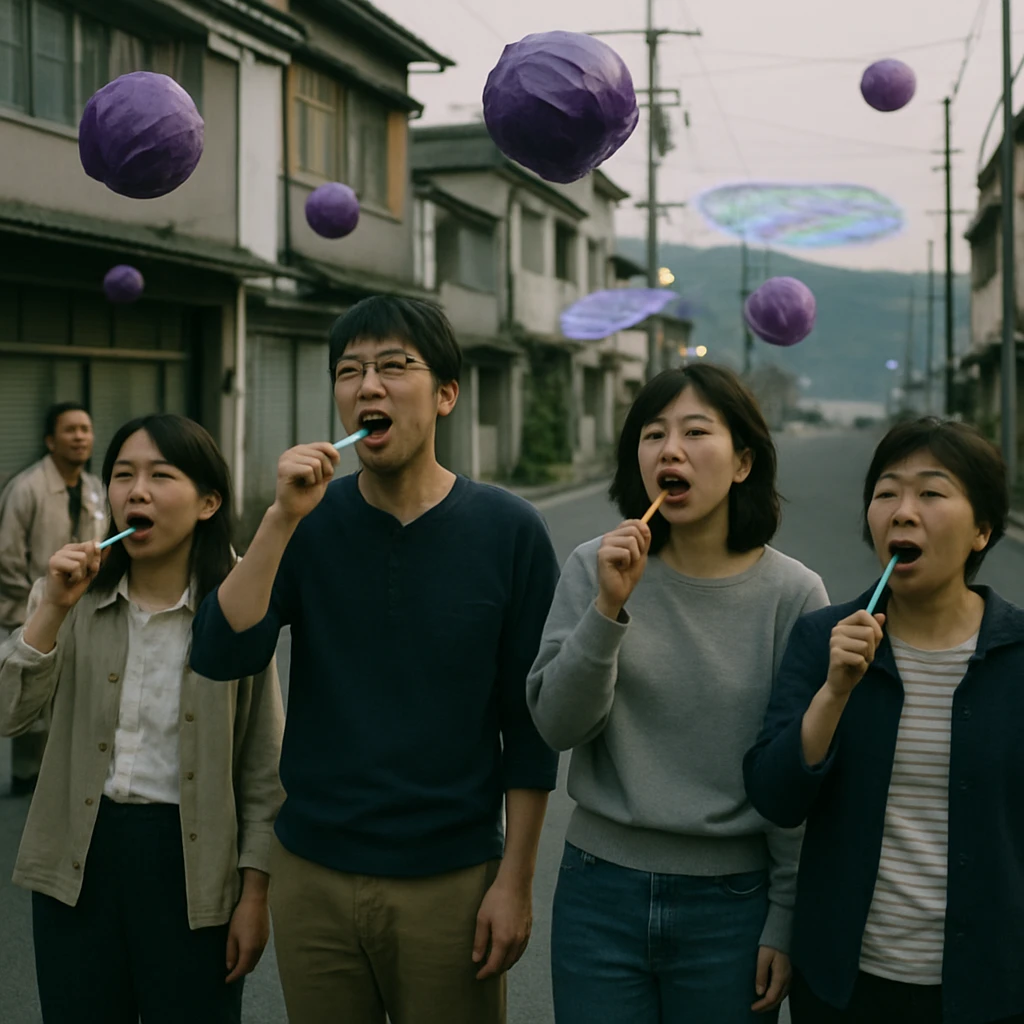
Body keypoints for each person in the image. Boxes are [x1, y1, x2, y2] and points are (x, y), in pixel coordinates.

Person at [189, 295, 560, 1024]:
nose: (368, 386)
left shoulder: (508, 531)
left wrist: (513, 882)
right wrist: (278, 519)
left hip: (449, 878)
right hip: (313, 871)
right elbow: (221, 654)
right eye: (350, 370)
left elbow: (531, 726)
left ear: (446, 394)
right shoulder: (308, 522)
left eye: (394, 367)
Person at [526, 364, 828, 1024]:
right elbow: (556, 726)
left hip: (733, 904)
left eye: (696, 431)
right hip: (598, 890)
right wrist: (608, 609)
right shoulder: (594, 566)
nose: (670, 449)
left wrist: (784, 912)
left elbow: (795, 775)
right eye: (653, 434)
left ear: (744, 461)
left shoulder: (794, 595)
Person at [0, 413, 285, 1024]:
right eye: (123, 475)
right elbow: (9, 714)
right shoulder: (70, 592)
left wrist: (254, 893)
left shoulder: (236, 607)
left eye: (161, 474)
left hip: (190, 866)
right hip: (78, 861)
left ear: (209, 502)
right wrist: (50, 609)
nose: (137, 491)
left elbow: (263, 765)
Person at [744, 417, 1024, 1024]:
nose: (902, 511)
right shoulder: (825, 638)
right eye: (885, 493)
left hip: (990, 989)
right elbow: (775, 796)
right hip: (844, 985)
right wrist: (834, 692)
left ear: (982, 529)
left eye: (931, 492)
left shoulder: (1019, 654)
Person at [0, 402, 106, 794]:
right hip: (32, 607)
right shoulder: (26, 488)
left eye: (86, 429)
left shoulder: (96, 488)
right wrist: (38, 600)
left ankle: (65, 778)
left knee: (73, 696)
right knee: (31, 694)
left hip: (85, 610)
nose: (80, 437)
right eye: (70, 430)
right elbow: (7, 556)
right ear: (50, 440)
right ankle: (29, 779)